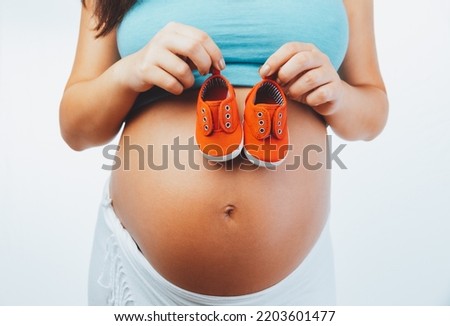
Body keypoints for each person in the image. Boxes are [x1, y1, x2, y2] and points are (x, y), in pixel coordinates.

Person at [59, 0, 388, 305]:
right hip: (139, 278)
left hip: (296, 287)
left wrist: (339, 96)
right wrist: (127, 73)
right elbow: (76, 128)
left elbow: (372, 112)